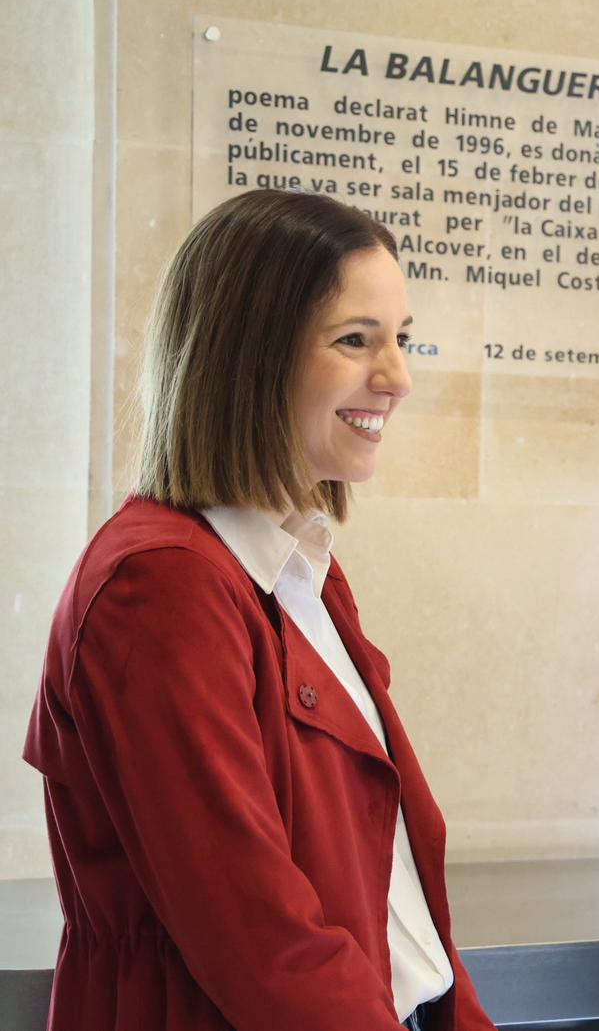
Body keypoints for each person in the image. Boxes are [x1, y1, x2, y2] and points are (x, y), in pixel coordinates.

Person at [23, 190, 496, 1030]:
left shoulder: (297, 567)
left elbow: (394, 889)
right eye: (357, 341)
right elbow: (262, 942)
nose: (399, 378)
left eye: (402, 339)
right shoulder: (160, 587)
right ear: (248, 354)